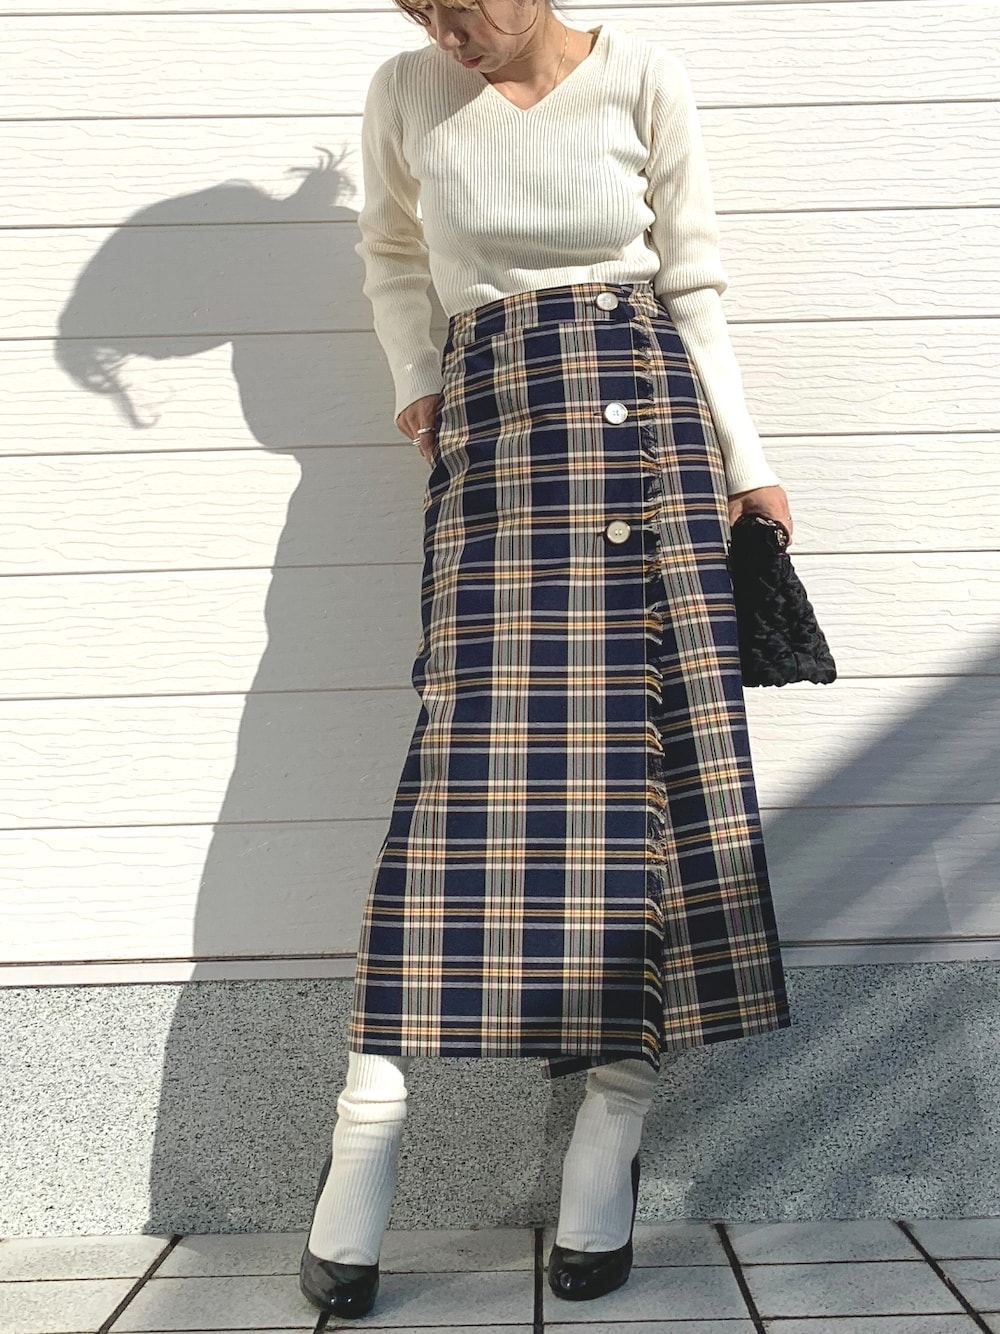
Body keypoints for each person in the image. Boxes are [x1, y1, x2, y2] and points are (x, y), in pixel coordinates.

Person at [300, 0, 794, 1318]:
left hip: (651, 440)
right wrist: (416, 373)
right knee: (458, 782)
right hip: (500, 438)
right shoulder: (407, 88)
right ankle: (366, 1125)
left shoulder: (643, 76)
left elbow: (692, 280)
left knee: (655, 783)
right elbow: (391, 251)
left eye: (459, 3)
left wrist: (747, 464)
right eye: (417, 7)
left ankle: (610, 1130)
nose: (444, 29)